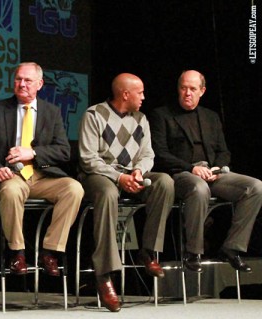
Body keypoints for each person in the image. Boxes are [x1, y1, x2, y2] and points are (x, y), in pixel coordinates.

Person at [0, 62, 84, 277]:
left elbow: (63, 151)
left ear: (40, 84)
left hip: (42, 176)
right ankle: (17, 253)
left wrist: (32, 153)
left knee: (74, 189)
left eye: (27, 80)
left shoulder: (51, 112)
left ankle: (50, 251)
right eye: (18, 79)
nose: (21, 84)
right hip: (11, 175)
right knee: (11, 191)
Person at [78, 73, 174, 312]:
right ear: (125, 94)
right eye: (139, 92)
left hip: (132, 175)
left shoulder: (140, 119)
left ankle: (148, 251)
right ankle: (104, 274)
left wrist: (139, 173)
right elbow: (88, 158)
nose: (143, 97)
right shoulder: (94, 115)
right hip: (99, 176)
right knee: (109, 193)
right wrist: (119, 177)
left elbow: (147, 154)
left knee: (164, 182)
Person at [150, 69, 262, 273]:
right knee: (199, 188)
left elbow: (223, 151)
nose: (187, 93)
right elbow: (160, 154)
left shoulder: (211, 117)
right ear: (178, 89)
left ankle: (232, 248)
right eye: (183, 88)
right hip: (181, 173)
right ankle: (193, 252)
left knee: (256, 187)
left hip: (212, 173)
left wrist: (217, 168)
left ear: (202, 91)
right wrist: (192, 168)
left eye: (192, 89)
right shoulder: (162, 115)